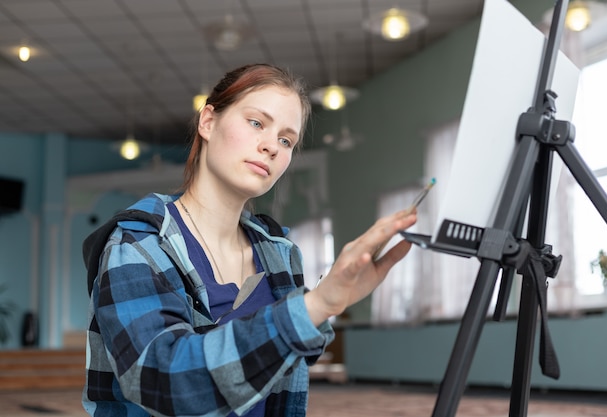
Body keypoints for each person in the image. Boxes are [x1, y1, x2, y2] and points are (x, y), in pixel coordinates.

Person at [82, 63, 417, 417]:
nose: (272, 146)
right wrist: (316, 305)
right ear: (208, 122)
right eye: (257, 123)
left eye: (286, 140)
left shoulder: (280, 253)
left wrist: (330, 303)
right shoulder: (136, 245)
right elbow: (165, 382)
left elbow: (291, 357)